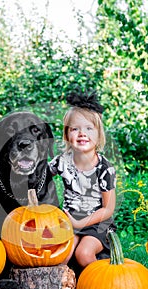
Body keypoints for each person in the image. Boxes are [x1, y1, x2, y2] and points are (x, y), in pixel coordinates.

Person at [49, 90, 117, 269]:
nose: (82, 133)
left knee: (83, 254)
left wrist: (80, 223)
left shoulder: (104, 168)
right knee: (63, 254)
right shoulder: (61, 161)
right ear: (66, 135)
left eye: (88, 128)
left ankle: (101, 285)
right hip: (70, 219)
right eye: (75, 129)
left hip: (97, 223)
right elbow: (40, 177)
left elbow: (108, 208)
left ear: (98, 134)